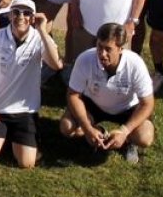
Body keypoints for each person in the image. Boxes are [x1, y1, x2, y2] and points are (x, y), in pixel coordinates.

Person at [0, 0, 62, 168]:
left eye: (26, 13)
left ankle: (16, 139)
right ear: (10, 15)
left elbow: (56, 64)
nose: (21, 17)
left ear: (33, 18)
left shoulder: (40, 39)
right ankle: (5, 138)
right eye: (16, 12)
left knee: (26, 163)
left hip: (26, 112)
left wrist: (42, 30)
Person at [60, 23, 155, 163]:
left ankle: (128, 141)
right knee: (67, 127)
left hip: (127, 108)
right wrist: (87, 128)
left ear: (120, 48)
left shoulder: (135, 64)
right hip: (94, 104)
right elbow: (73, 95)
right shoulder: (85, 59)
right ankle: (98, 132)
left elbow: (147, 104)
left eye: (108, 49)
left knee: (144, 137)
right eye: (99, 47)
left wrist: (124, 131)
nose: (102, 54)